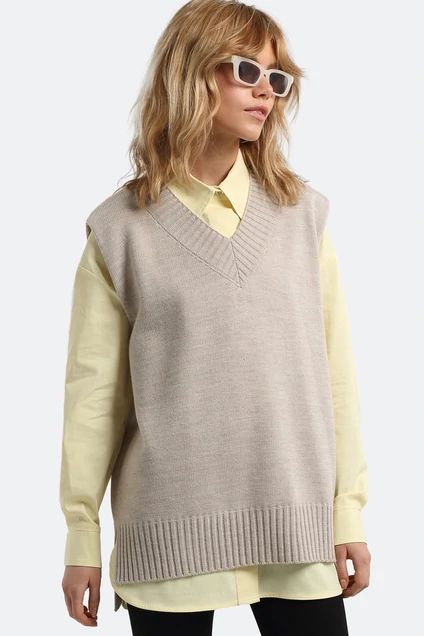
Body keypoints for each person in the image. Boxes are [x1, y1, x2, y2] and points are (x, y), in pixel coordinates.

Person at [59, 0, 371, 634]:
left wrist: (347, 512)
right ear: (192, 72)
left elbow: (335, 378)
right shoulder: (120, 232)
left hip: (298, 528)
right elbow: (95, 399)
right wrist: (81, 535)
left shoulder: (303, 218)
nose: (266, 92)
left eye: (276, 77)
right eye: (246, 70)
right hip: (168, 535)